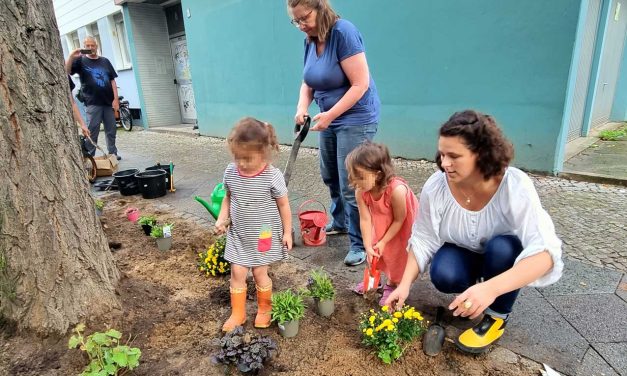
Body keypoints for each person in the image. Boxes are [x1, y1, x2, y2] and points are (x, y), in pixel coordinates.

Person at [385, 110, 563, 354]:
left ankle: (496, 316)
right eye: (442, 153)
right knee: (443, 273)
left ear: (481, 154)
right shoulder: (437, 186)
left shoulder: (513, 186)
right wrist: (404, 285)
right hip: (463, 252)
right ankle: (475, 291)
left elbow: (545, 254)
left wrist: (491, 289)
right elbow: (424, 237)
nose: (444, 163)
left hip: (503, 257)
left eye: (454, 156)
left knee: (503, 248)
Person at [288, 0, 381, 266]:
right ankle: (339, 221)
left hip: (355, 116)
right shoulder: (309, 40)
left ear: (321, 9)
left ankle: (360, 243)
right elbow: (308, 80)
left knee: (352, 181)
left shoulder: (343, 33)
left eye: (304, 18)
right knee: (329, 173)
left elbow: (360, 83)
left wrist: (330, 115)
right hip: (327, 117)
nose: (301, 25)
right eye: (296, 21)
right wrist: (302, 107)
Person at [215, 117, 293, 332]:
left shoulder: (271, 176)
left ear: (264, 153)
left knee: (260, 273)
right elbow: (227, 198)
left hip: (262, 237)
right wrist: (222, 219)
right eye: (237, 157)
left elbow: (284, 205)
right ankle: (238, 314)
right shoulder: (231, 172)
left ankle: (264, 309)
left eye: (247, 158)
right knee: (237, 273)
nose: (241, 163)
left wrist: (287, 232)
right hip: (239, 234)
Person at [346, 142, 418, 306]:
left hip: (400, 229)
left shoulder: (397, 191)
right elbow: (365, 219)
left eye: (360, 177)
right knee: (374, 253)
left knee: (396, 257)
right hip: (380, 224)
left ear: (378, 174)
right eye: (352, 176)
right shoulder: (361, 190)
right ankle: (374, 279)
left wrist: (384, 241)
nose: (355, 182)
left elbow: (400, 220)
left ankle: (392, 285)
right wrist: (367, 244)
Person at [65, 36, 121, 160]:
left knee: (111, 130)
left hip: (108, 102)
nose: (91, 48)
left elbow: (112, 81)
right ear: (84, 47)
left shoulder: (105, 61)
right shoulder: (80, 61)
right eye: (88, 46)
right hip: (92, 102)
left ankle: (113, 153)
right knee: (92, 130)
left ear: (97, 46)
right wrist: (71, 57)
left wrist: (115, 99)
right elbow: (67, 71)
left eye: (93, 45)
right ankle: (90, 157)